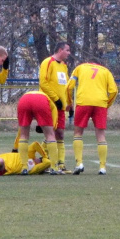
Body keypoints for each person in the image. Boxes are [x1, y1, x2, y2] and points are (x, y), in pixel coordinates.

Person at [66, 58, 118, 175]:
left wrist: (69, 102)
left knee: (78, 133)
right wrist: (106, 105)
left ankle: (79, 163)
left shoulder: (80, 68)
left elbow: (69, 87)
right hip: (100, 103)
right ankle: (102, 167)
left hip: (83, 102)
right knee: (100, 135)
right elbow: (114, 91)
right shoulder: (106, 71)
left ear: (88, 62)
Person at [38, 42, 72, 172]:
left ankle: (61, 164)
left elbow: (66, 85)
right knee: (50, 133)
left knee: (60, 134)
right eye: (67, 50)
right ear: (60, 50)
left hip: (61, 106)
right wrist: (55, 98)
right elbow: (43, 82)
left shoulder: (64, 66)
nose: (69, 53)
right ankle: (45, 159)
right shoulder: (48, 62)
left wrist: (69, 102)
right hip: (49, 104)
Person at [16, 90, 62, 175]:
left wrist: (15, 148)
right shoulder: (53, 107)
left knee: (24, 135)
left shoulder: (28, 95)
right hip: (40, 100)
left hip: (24, 100)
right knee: (50, 135)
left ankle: (24, 168)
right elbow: (54, 127)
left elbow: (20, 132)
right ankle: (54, 167)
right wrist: (48, 127)